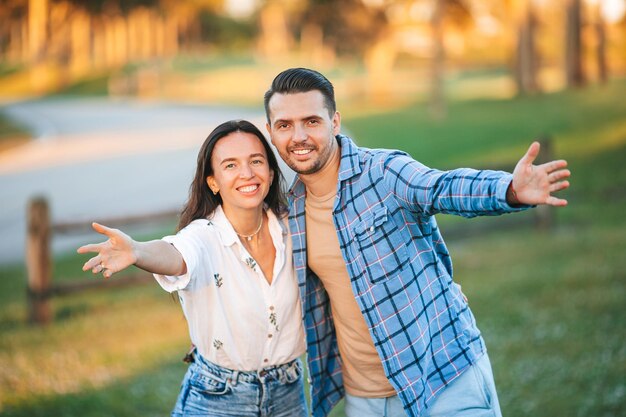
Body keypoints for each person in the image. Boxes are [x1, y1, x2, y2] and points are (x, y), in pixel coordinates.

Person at [263, 68, 571, 417]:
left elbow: (441, 188)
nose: (299, 136)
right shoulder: (291, 212)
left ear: (334, 122)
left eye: (311, 121)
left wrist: (509, 191)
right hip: (364, 399)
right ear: (272, 133)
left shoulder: (384, 172)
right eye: (285, 125)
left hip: (441, 377)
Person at [77, 120, 308, 417]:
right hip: (219, 398)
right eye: (230, 165)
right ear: (212, 182)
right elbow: (176, 254)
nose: (247, 174)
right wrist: (137, 251)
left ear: (271, 171)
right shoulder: (203, 236)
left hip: (288, 394)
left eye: (256, 161)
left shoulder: (294, 228)